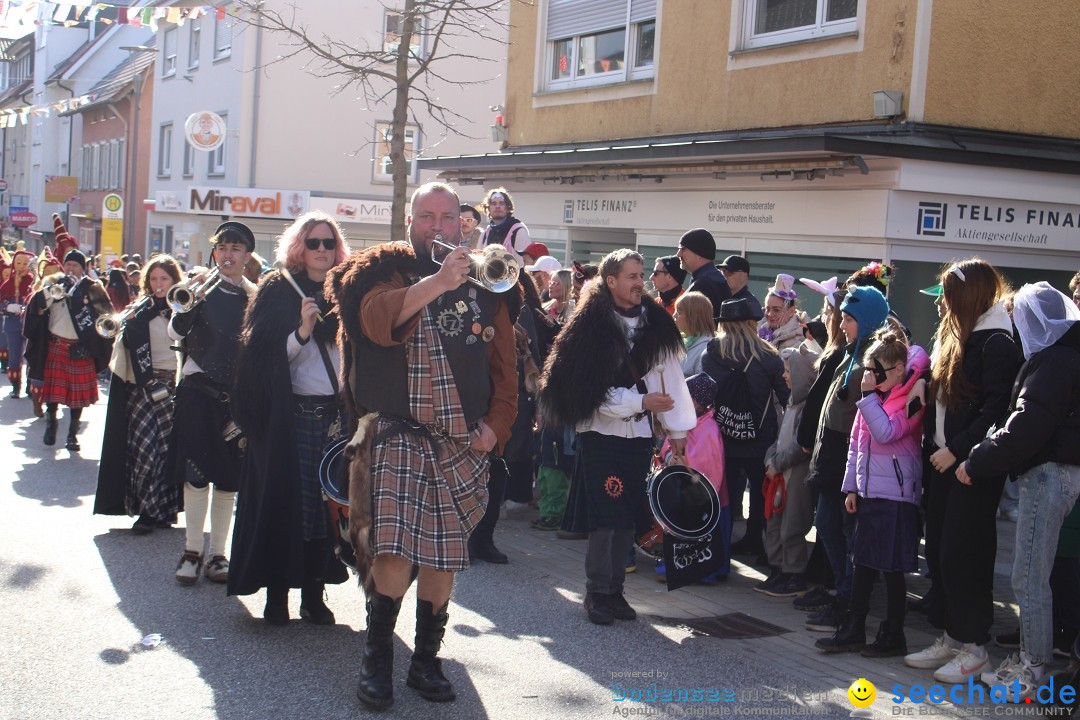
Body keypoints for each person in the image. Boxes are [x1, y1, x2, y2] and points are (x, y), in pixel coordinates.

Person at [328, 181, 517, 709]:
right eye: (427, 216)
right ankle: (377, 662)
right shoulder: (378, 271)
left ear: (463, 222)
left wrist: (497, 427)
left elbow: (505, 369)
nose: (438, 225)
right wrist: (437, 281)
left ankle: (426, 662)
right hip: (397, 430)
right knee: (393, 548)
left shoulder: (490, 281)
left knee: (443, 557)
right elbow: (376, 320)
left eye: (447, 216)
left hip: (462, 438)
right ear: (411, 221)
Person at [539, 248, 695, 626]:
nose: (640, 282)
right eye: (632, 276)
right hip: (601, 436)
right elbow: (587, 393)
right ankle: (597, 593)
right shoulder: (589, 327)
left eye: (642, 275)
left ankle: (616, 593)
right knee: (606, 519)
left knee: (627, 517)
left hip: (639, 436)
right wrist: (640, 399)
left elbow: (670, 377)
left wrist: (677, 431)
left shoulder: (655, 323)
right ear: (610, 281)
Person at [955, 282, 1080, 700]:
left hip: (1048, 475)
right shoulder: (1058, 357)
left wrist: (976, 460)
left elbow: (1027, 425)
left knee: (1028, 578)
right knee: (1031, 576)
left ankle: (1033, 671)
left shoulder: (1057, 360)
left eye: (1018, 318)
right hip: (1049, 473)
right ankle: (1032, 662)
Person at [903, 258, 1023, 684]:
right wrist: (923, 385)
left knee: (964, 554)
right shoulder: (960, 336)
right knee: (938, 549)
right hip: (943, 464)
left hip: (970, 467)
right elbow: (950, 392)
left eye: (950, 296)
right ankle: (952, 636)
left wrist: (956, 449)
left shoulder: (997, 344)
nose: (943, 305)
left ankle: (975, 647)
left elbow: (997, 411)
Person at [229, 212, 351, 625]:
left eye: (328, 243)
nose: (322, 250)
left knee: (325, 510)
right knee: (286, 503)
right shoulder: (278, 289)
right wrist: (302, 330)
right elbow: (261, 361)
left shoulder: (347, 288)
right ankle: (277, 595)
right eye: (314, 243)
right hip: (291, 415)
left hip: (336, 417)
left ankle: (313, 596)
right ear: (300, 245)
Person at [815, 328, 929, 656]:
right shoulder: (875, 398)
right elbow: (856, 444)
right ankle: (853, 628)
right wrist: (850, 487)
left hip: (895, 496)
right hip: (869, 492)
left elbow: (886, 432)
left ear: (896, 370)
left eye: (875, 371)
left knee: (891, 569)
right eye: (867, 369)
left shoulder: (910, 398)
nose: (869, 377)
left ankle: (894, 634)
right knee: (863, 562)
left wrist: (867, 398)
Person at [167, 222, 256, 586]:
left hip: (234, 399)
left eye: (236, 249)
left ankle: (218, 554)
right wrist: (190, 303)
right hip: (198, 393)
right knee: (196, 475)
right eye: (223, 248)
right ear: (215, 252)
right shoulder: (197, 288)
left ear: (247, 256)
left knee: (228, 480)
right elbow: (175, 332)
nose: (229, 255)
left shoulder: (255, 294)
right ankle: (191, 551)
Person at [798, 286, 890, 633]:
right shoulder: (851, 352)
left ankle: (849, 602)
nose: (843, 324)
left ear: (865, 320)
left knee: (847, 534)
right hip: (832, 455)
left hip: (850, 459)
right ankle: (842, 593)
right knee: (828, 526)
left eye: (850, 319)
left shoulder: (873, 359)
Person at [95, 255, 184, 533]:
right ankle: (147, 510)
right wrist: (128, 326)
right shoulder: (138, 311)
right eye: (154, 279)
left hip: (174, 388)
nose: (158, 285)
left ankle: (164, 510)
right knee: (145, 450)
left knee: (169, 453)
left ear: (174, 281)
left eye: (164, 279)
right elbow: (122, 353)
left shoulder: (184, 309)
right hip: (143, 387)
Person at [702, 297, 789, 564]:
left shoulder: (712, 353)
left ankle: (719, 549)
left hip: (721, 436)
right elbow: (786, 397)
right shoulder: (769, 357)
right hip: (759, 437)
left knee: (722, 491)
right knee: (761, 491)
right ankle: (759, 542)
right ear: (752, 323)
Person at [22, 249, 112, 451]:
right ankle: (51, 423)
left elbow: (105, 315)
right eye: (68, 264)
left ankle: (72, 434)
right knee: (52, 394)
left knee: (76, 397)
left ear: (83, 268)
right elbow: (36, 309)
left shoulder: (93, 288)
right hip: (55, 345)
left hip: (80, 349)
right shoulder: (52, 284)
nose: (71, 268)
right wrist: (51, 292)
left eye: (76, 265)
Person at [758, 341, 819, 598]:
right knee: (774, 522)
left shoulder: (806, 408)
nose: (784, 376)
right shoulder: (791, 403)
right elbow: (780, 438)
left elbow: (799, 446)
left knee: (791, 525)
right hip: (779, 475)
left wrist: (777, 463)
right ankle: (778, 568)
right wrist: (770, 459)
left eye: (788, 371)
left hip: (794, 476)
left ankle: (794, 573)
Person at [0, 248, 34, 398]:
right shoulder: (7, 284)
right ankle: (16, 386)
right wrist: (8, 307)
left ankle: (30, 386)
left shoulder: (34, 282)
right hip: (12, 324)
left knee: (32, 356)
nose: (21, 266)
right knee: (14, 356)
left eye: (25, 263)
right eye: (18, 262)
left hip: (31, 324)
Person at [676, 228, 730, 319]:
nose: (678, 254)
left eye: (683, 249)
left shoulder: (702, 285)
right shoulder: (716, 280)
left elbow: (693, 327)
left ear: (699, 254)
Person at [480, 188, 531, 260]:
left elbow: (523, 264)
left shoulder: (518, 231)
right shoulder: (485, 234)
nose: (497, 206)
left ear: (507, 208)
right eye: (493, 203)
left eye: (502, 203)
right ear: (488, 208)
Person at [760, 274, 804, 351]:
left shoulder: (799, 341)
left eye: (776, 310)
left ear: (791, 311)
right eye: (767, 309)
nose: (770, 314)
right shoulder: (757, 329)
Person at [674, 291, 714, 377]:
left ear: (694, 317)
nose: (675, 316)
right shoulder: (680, 343)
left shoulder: (706, 348)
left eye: (679, 312)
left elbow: (702, 386)